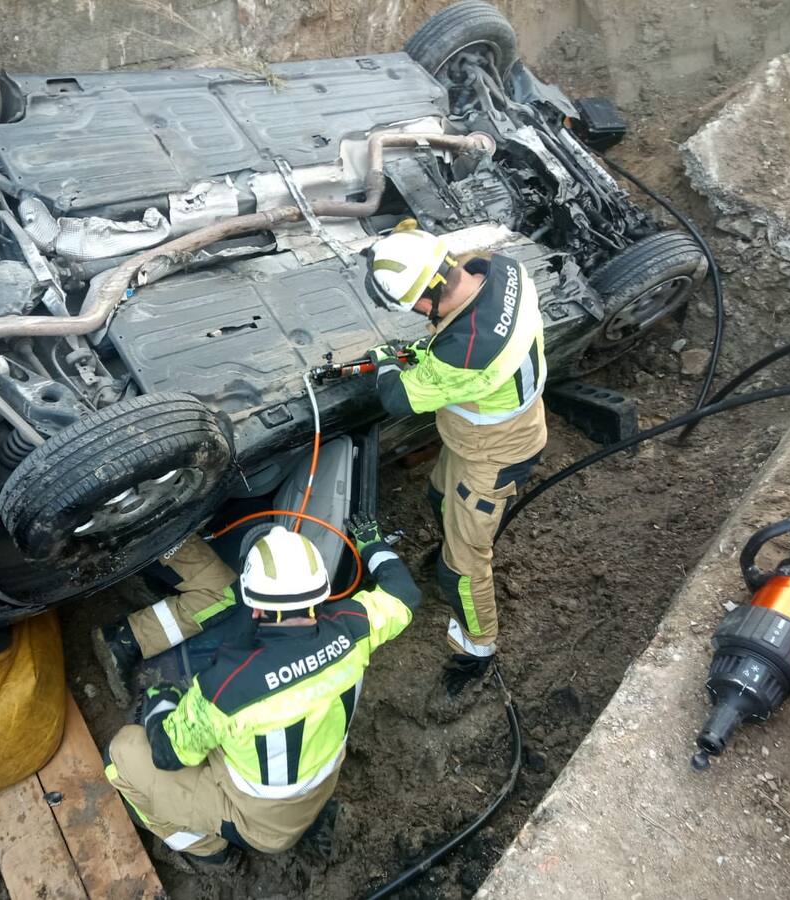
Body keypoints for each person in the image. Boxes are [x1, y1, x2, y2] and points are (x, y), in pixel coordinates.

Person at [104, 515, 420, 865]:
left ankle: (209, 852)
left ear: (253, 606)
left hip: (260, 825)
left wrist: (161, 701)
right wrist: (372, 543)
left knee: (122, 754)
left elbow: (167, 753)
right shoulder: (355, 628)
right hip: (322, 784)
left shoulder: (224, 689)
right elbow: (403, 592)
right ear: (320, 591)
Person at [363, 223, 547, 696]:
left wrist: (385, 360)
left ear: (426, 298)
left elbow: (399, 398)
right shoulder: (499, 269)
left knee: (462, 569)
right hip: (481, 438)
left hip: (495, 455)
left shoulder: (466, 353)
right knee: (438, 494)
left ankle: (477, 647)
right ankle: (450, 546)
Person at [95, 532, 239, 704]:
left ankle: (143, 578)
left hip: (117, 533)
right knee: (223, 594)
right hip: (150, 527)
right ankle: (125, 639)